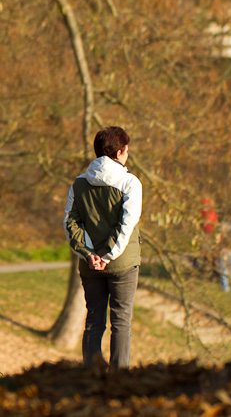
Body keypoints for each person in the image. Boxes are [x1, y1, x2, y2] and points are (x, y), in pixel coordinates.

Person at [63, 126, 143, 369]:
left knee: (94, 322)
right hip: (123, 265)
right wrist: (107, 255)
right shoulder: (130, 183)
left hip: (90, 267)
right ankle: (119, 377)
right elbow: (126, 225)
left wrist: (89, 254)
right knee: (121, 323)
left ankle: (91, 374)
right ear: (121, 152)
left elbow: (70, 222)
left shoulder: (78, 184)